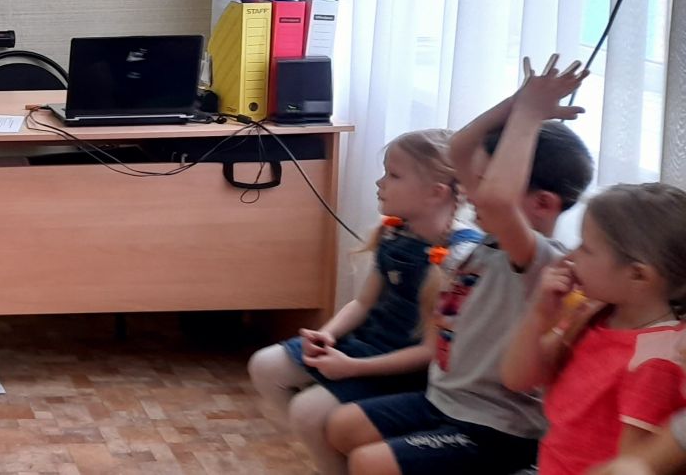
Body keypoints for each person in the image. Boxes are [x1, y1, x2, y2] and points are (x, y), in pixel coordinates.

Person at [326, 57, 594, 474]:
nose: (472, 194)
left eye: (486, 183)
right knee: (342, 427)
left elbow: (497, 201)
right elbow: (460, 148)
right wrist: (519, 100)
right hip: (445, 400)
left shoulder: (540, 258)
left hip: (494, 426)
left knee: (368, 462)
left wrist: (528, 115)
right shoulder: (490, 243)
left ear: (542, 203)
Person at [249, 129, 481, 473]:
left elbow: (431, 352)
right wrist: (327, 334)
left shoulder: (463, 255)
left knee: (307, 411)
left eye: (394, 175)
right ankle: (328, 455)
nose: (380, 182)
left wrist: (352, 368)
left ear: (436, 193)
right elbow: (362, 303)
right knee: (265, 366)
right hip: (368, 345)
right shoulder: (395, 232)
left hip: (408, 368)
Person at [499, 183, 686, 475]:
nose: (572, 256)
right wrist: (539, 313)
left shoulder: (655, 361)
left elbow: (629, 467)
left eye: (586, 248)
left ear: (638, 275)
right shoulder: (595, 314)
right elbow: (516, 378)